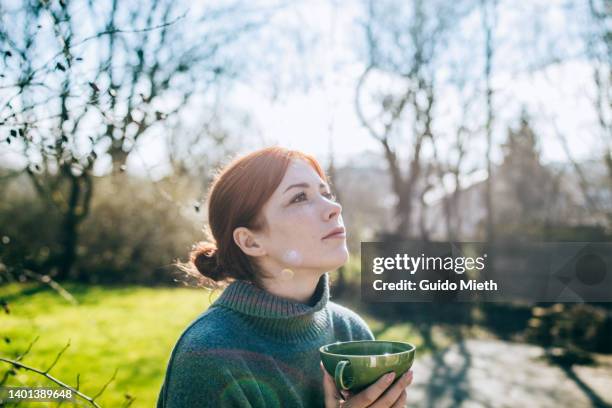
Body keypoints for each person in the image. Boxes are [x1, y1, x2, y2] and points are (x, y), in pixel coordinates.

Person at [156, 146, 414, 407]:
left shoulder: (350, 333)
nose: (334, 207)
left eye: (326, 193)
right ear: (251, 241)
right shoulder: (208, 355)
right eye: (300, 197)